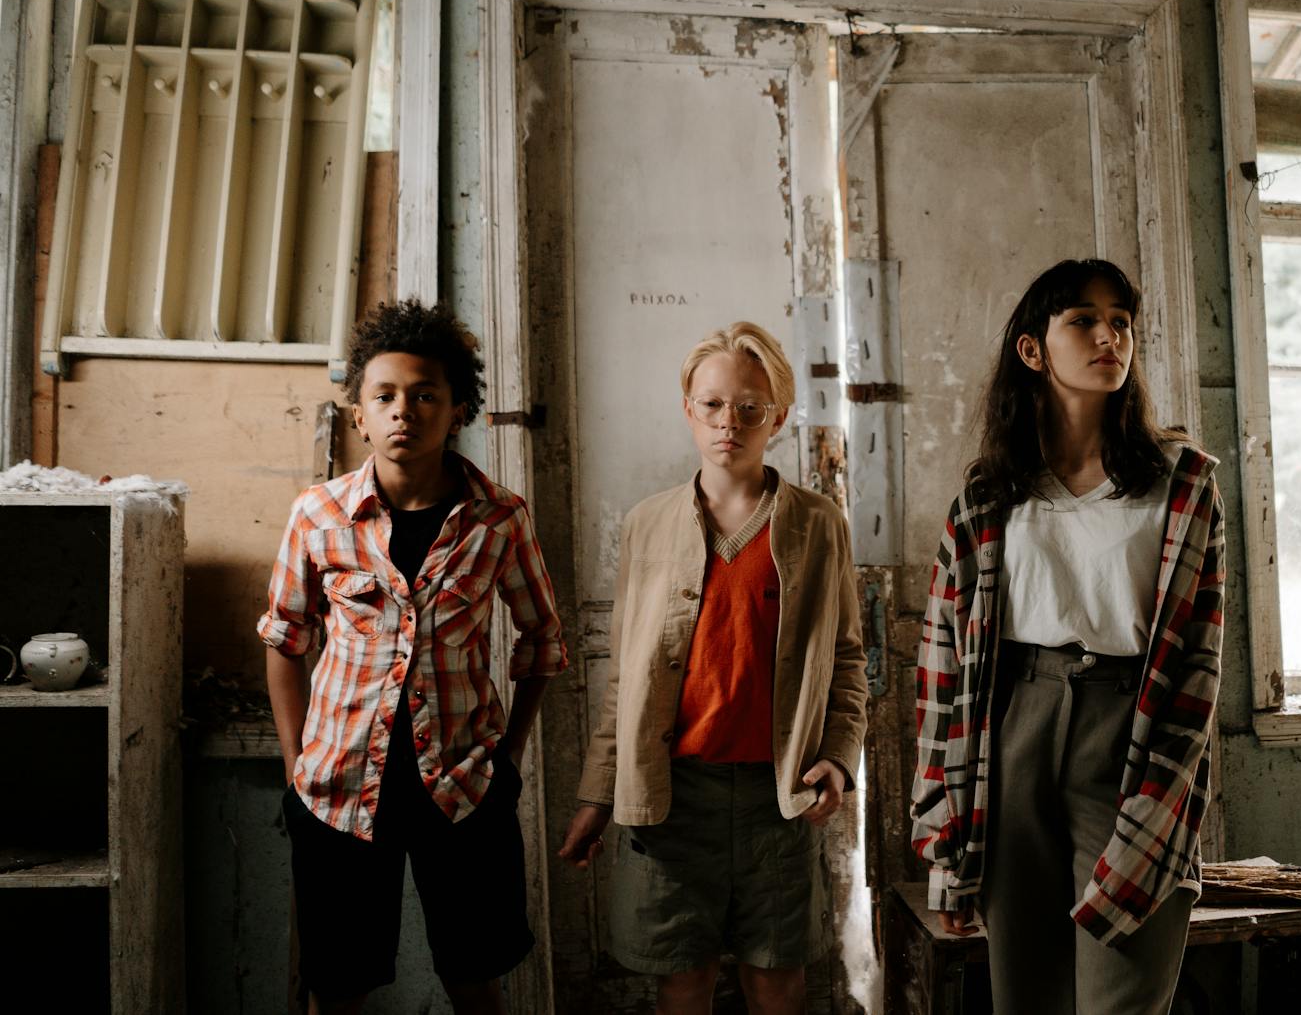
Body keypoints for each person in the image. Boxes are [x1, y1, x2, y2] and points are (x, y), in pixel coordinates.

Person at [910, 259, 1226, 1015]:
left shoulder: (1179, 485)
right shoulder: (988, 498)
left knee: (1123, 995)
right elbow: (941, 675)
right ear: (1033, 349)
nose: (1108, 335)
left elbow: (1199, 663)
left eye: (1121, 320)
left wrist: (1164, 793)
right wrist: (945, 847)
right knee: (1027, 995)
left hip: (1130, 735)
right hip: (1010, 734)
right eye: (1083, 319)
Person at [258, 300, 568, 1015]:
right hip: (337, 791)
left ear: (457, 408)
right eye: (385, 396)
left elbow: (543, 643)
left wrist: (507, 760)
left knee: (476, 978)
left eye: (426, 394)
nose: (406, 411)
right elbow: (284, 640)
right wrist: (296, 762)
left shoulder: (500, 518)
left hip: (464, 788)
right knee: (337, 985)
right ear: (360, 414)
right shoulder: (319, 515)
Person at [559, 321, 867, 1015]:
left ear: (778, 418)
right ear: (689, 409)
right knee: (682, 977)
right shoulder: (646, 523)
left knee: (775, 980)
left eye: (750, 406)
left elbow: (847, 659)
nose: (730, 421)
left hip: (775, 799)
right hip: (673, 798)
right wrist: (595, 795)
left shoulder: (818, 525)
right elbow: (628, 681)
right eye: (714, 404)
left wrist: (840, 760)